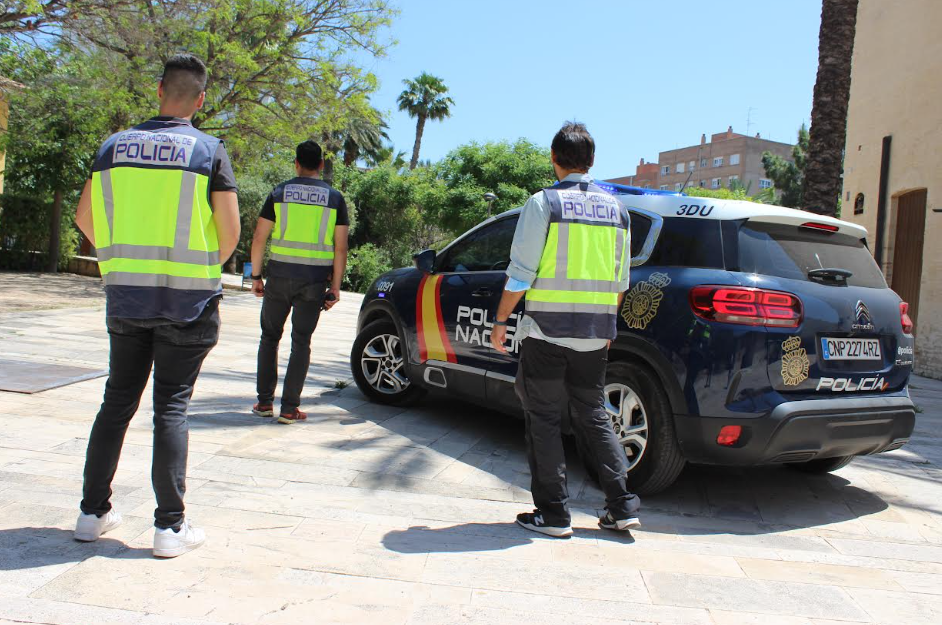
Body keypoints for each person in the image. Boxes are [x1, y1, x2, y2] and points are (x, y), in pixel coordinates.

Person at [72, 54, 240, 557]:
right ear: (201, 99)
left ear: (159, 89)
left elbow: (85, 217)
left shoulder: (113, 147)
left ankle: (91, 513)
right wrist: (202, 267)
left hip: (126, 296)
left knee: (117, 401)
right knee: (171, 407)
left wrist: (119, 258)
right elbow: (228, 231)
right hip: (188, 302)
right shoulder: (208, 151)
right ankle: (169, 528)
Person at [490, 122, 641, 538]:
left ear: (554, 159)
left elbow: (520, 274)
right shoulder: (618, 210)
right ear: (591, 162)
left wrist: (501, 321)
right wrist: (608, 324)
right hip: (595, 334)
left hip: (546, 331)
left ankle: (554, 514)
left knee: (543, 418)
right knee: (594, 414)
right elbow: (620, 280)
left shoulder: (544, 204)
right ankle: (622, 506)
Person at [249, 140, 349, 424]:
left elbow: (259, 237)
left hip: (279, 277)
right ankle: (290, 408)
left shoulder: (279, 193)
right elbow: (340, 247)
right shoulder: (335, 198)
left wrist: (256, 276)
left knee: (269, 338)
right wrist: (335, 287)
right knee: (301, 342)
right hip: (314, 281)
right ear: (320, 165)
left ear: (296, 163)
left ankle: (264, 403)